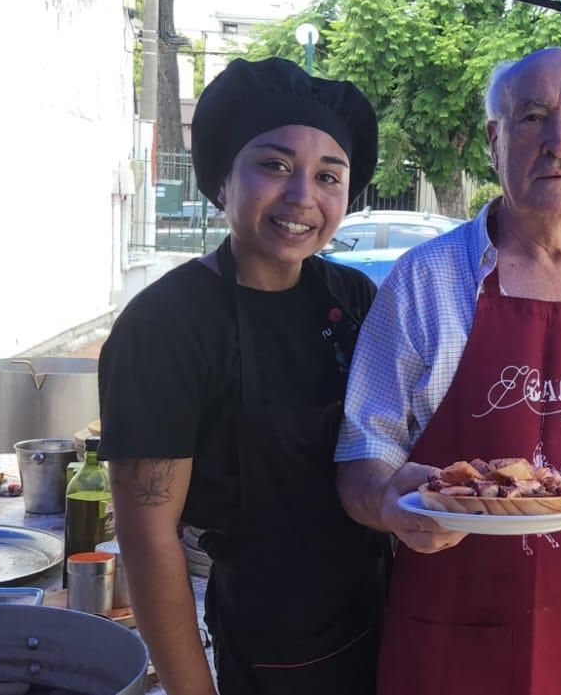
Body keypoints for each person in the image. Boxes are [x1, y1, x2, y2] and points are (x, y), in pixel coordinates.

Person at [334, 47, 561, 694]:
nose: (560, 142)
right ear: (495, 141)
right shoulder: (424, 284)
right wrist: (389, 503)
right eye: (534, 117)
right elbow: (363, 460)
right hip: (458, 648)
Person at [99, 58, 389, 695]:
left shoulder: (355, 299)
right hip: (261, 636)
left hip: (382, 616)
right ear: (222, 179)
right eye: (275, 165)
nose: (301, 196)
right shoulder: (165, 325)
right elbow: (148, 537)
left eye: (328, 176)